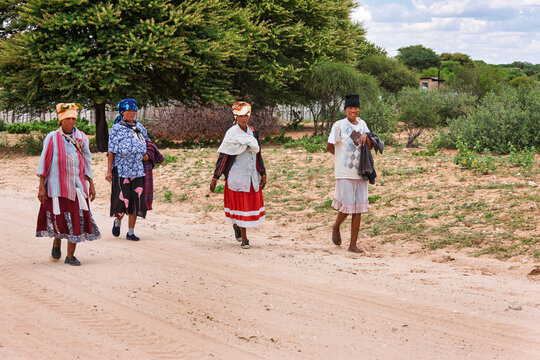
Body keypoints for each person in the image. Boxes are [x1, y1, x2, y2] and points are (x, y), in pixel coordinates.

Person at [36, 103, 101, 266]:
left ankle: (70, 256)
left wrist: (91, 184)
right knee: (59, 217)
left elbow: (87, 161)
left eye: (73, 118)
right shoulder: (52, 137)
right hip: (56, 187)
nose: (72, 121)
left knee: (76, 218)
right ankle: (57, 242)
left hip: (78, 186)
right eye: (68, 119)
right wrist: (41, 186)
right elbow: (44, 162)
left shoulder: (82, 138)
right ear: (61, 120)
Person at [210, 101, 267, 249]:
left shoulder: (253, 132)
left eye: (246, 115)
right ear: (236, 117)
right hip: (236, 174)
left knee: (244, 208)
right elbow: (224, 156)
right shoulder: (231, 134)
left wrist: (263, 173)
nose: (244, 118)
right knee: (240, 206)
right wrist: (216, 177)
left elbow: (258, 153)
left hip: (250, 174)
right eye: (240, 116)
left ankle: (237, 226)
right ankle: (245, 239)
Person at [327, 94, 372, 253]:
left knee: (358, 208)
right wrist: (341, 158)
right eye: (350, 108)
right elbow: (330, 145)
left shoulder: (363, 124)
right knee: (346, 207)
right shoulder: (338, 125)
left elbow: (370, 146)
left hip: (361, 171)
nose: (353, 111)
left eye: (356, 108)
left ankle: (352, 245)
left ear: (359, 109)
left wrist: (366, 136)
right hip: (345, 171)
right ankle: (336, 226)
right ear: (345, 110)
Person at [106, 98, 149, 241]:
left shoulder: (140, 128)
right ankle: (118, 220)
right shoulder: (116, 128)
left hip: (137, 169)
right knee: (122, 200)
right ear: (122, 112)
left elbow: (147, 144)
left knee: (136, 200)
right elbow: (111, 151)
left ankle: (131, 232)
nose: (132, 113)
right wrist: (109, 170)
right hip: (122, 169)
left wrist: (147, 155)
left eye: (134, 110)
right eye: (129, 110)